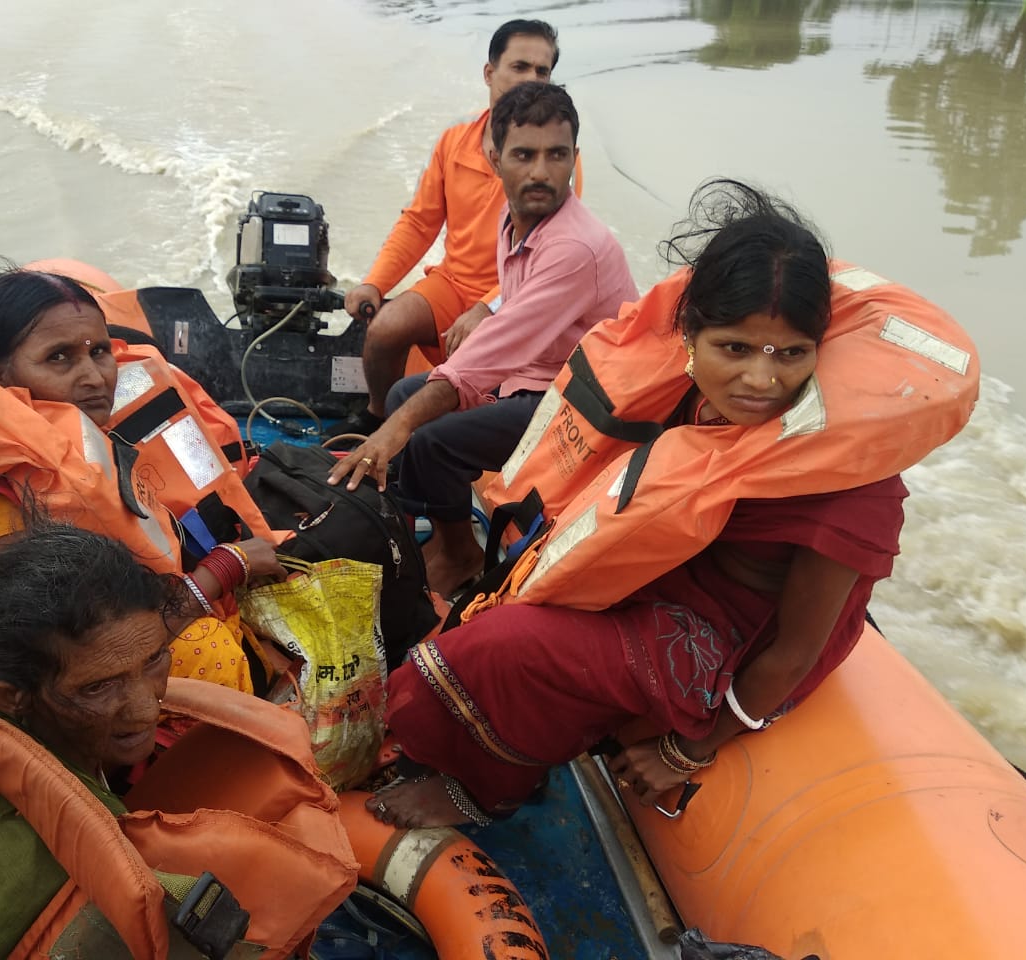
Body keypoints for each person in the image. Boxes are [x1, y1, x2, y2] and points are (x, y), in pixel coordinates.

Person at [365, 181, 913, 828]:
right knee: (490, 604)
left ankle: (491, 790)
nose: (763, 381)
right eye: (734, 348)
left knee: (500, 647)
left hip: (723, 643)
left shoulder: (846, 477)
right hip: (663, 575)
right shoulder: (683, 398)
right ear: (691, 336)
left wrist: (687, 750)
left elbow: (794, 652)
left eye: (791, 355)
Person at [0, 522, 356, 959]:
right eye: (99, 688)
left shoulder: (61, 734)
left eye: (154, 658)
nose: (144, 706)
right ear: (11, 701)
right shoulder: (39, 876)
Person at [0, 266, 287, 692]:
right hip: (46, 704)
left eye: (99, 352)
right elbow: (68, 666)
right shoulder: (4, 511)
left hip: (98, 656)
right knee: (213, 651)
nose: (95, 377)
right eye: (60, 358)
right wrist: (225, 570)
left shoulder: (75, 446)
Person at [329, 82, 637, 597]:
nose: (541, 171)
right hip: (536, 378)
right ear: (496, 158)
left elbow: (486, 360)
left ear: (575, 158)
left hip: (580, 403)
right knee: (406, 395)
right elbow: (505, 330)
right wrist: (403, 415)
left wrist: (396, 429)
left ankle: (458, 553)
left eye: (557, 155)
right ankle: (423, 526)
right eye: (524, 155)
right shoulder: (514, 219)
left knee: (429, 437)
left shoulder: (575, 248)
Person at [328, 18, 577, 439]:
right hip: (453, 282)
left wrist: (489, 308)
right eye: (520, 67)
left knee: (473, 362)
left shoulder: (552, 160)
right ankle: (377, 417)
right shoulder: (454, 143)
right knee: (385, 328)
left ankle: (434, 437)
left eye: (542, 71)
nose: (532, 79)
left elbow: (553, 250)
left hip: (514, 295)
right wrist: (374, 283)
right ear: (489, 73)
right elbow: (420, 222)